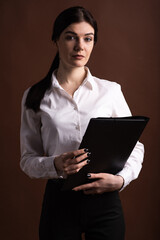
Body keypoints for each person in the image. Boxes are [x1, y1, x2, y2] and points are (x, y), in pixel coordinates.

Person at [20, 6, 144, 240]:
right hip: (59, 202)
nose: (80, 46)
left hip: (105, 201)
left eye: (88, 38)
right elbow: (27, 160)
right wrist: (55, 164)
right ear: (56, 39)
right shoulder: (35, 96)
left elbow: (135, 146)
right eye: (70, 37)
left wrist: (120, 180)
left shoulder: (110, 91)